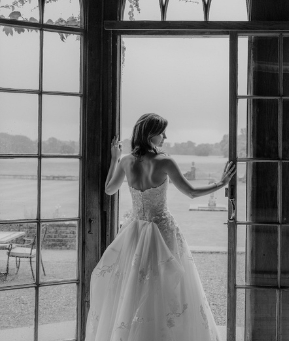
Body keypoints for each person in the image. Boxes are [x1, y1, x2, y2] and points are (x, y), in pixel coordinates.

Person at [85, 112, 235, 341]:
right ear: (149, 134)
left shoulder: (126, 161)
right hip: (162, 232)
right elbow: (192, 193)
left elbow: (108, 189)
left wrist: (114, 157)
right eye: (161, 132)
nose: (165, 136)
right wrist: (221, 183)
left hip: (134, 232)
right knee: (166, 288)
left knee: (132, 287)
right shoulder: (165, 161)